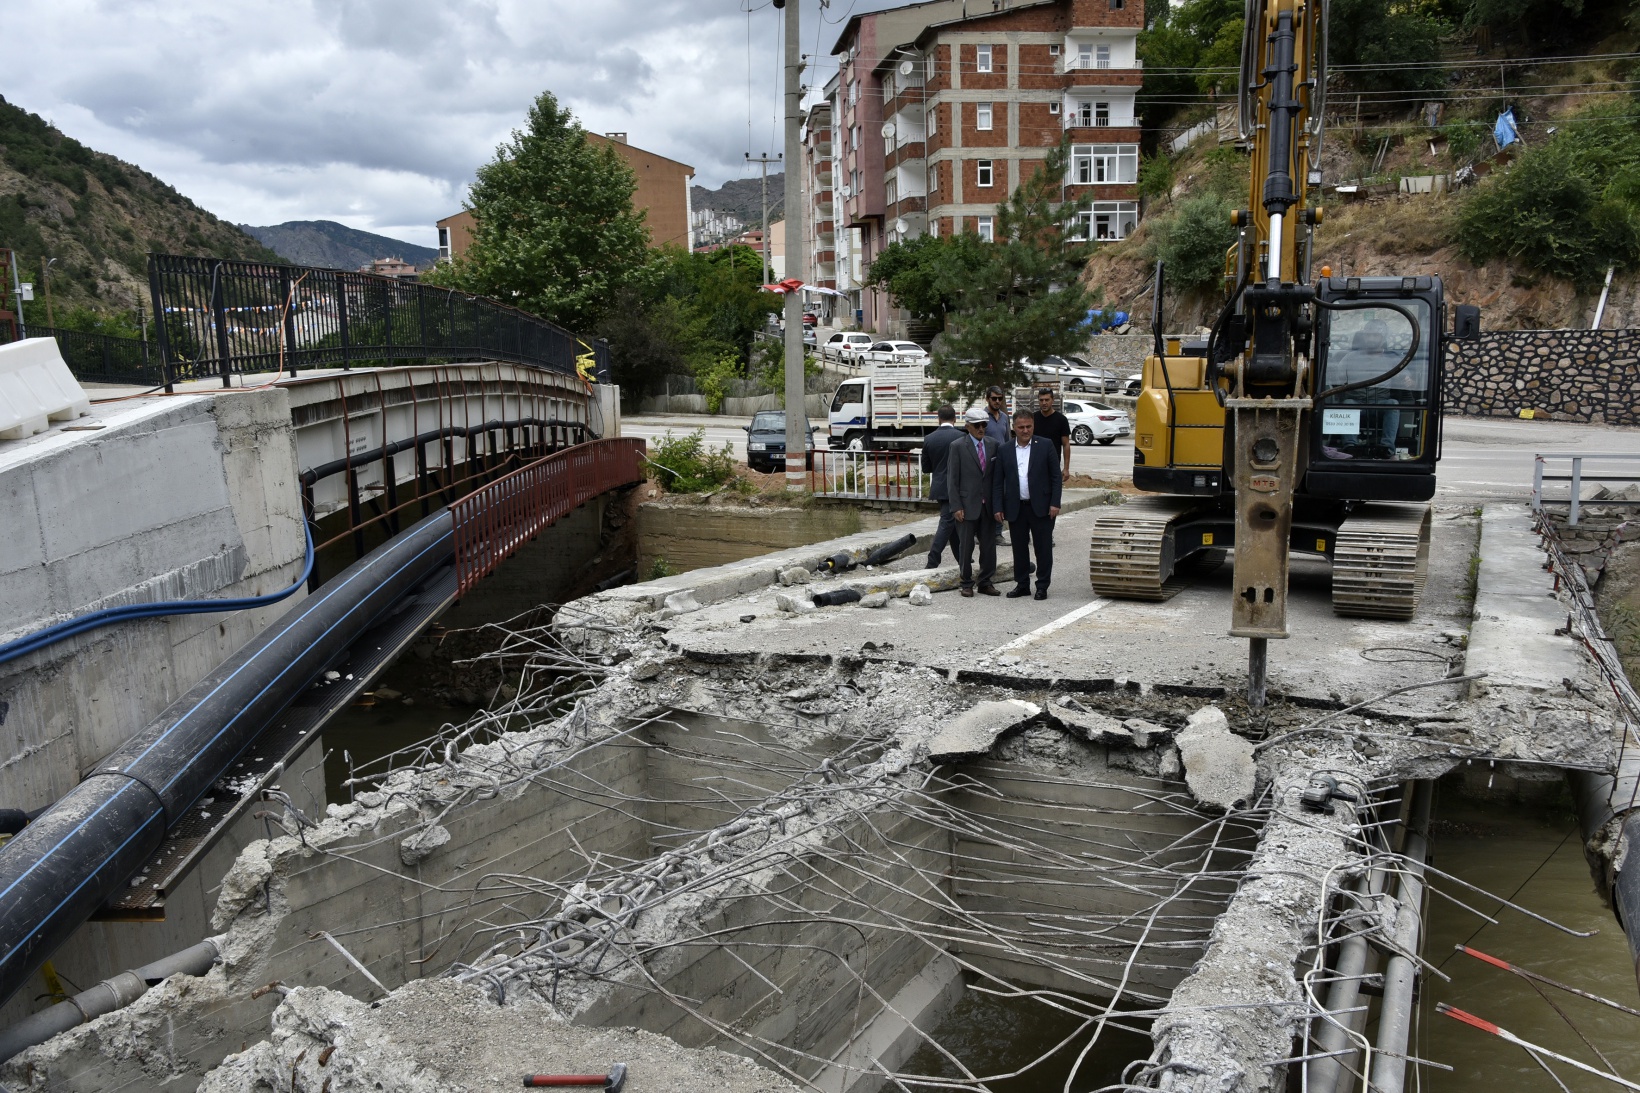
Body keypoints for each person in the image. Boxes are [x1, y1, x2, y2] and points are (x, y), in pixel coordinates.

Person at [992, 409, 1063, 599]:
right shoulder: (1004, 450)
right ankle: (1022, 584)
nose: (1025, 430)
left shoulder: (1046, 445)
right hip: (1016, 508)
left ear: (1033, 425)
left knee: (1043, 548)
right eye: (1021, 427)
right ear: (1014, 428)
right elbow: (998, 481)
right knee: (1019, 549)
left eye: (1029, 426)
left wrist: (1055, 503)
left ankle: (1042, 586)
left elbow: (1056, 477)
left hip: (1042, 507)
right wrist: (998, 506)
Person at [947, 406, 1002, 597]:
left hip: (988, 507)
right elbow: (952, 480)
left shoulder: (993, 444)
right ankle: (966, 582)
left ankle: (985, 582)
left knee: (988, 546)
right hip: (966, 505)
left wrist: (998, 504)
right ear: (968, 426)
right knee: (966, 547)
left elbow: (996, 478)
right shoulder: (958, 446)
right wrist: (956, 506)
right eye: (977, 425)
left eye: (984, 425)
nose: (981, 429)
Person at [920, 405, 963, 568]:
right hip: (956, 487)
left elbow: (926, 468)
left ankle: (962, 558)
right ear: (955, 418)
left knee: (951, 524)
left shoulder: (929, 438)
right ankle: (933, 559)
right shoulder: (961, 437)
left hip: (939, 486)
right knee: (947, 522)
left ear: (939, 418)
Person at [1031, 388, 1072, 480]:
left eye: (1047, 400)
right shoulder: (1032, 419)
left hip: (1053, 465)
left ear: (1052, 400)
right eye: (1041, 400)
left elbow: (1066, 445)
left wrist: (1066, 468)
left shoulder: (1061, 420)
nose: (1044, 403)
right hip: (1034, 466)